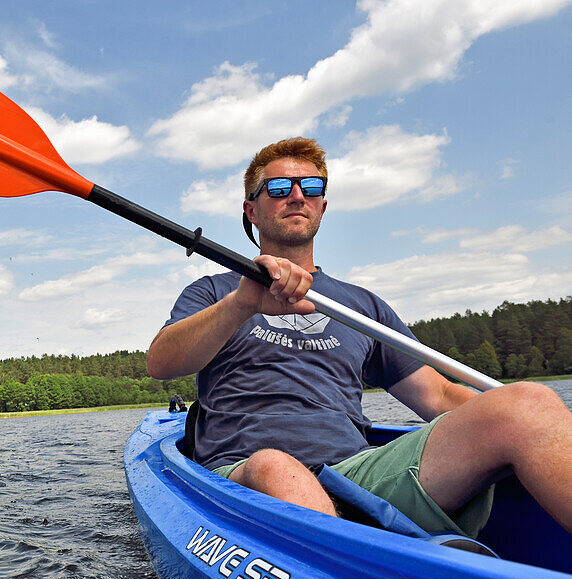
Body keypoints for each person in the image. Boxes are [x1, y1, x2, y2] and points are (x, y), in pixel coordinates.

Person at [147, 136, 572, 538]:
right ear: (251, 210)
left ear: (322, 206)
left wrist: (547, 428)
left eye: (310, 187)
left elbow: (439, 396)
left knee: (529, 404)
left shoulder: (361, 306)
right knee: (277, 468)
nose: (297, 196)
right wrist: (241, 305)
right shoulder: (214, 292)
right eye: (278, 187)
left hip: (357, 473)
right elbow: (161, 364)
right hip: (243, 474)